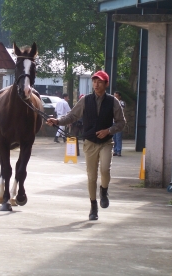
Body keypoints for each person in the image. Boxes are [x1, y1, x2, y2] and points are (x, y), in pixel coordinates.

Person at [47, 71, 126, 220]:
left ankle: (104, 191)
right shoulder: (85, 100)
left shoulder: (113, 101)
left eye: (100, 82)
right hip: (89, 142)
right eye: (94, 81)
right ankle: (93, 206)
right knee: (91, 176)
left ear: (106, 84)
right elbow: (72, 116)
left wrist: (109, 130)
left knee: (105, 170)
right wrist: (57, 121)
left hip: (106, 142)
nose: (96, 84)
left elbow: (122, 122)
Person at [112, 91, 126, 156]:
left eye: (116, 96)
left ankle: (118, 151)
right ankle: (115, 150)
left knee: (118, 137)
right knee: (114, 138)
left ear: (119, 97)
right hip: (112, 122)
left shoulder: (121, 103)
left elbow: (122, 107)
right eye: (114, 96)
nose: (115, 97)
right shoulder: (111, 102)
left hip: (118, 123)